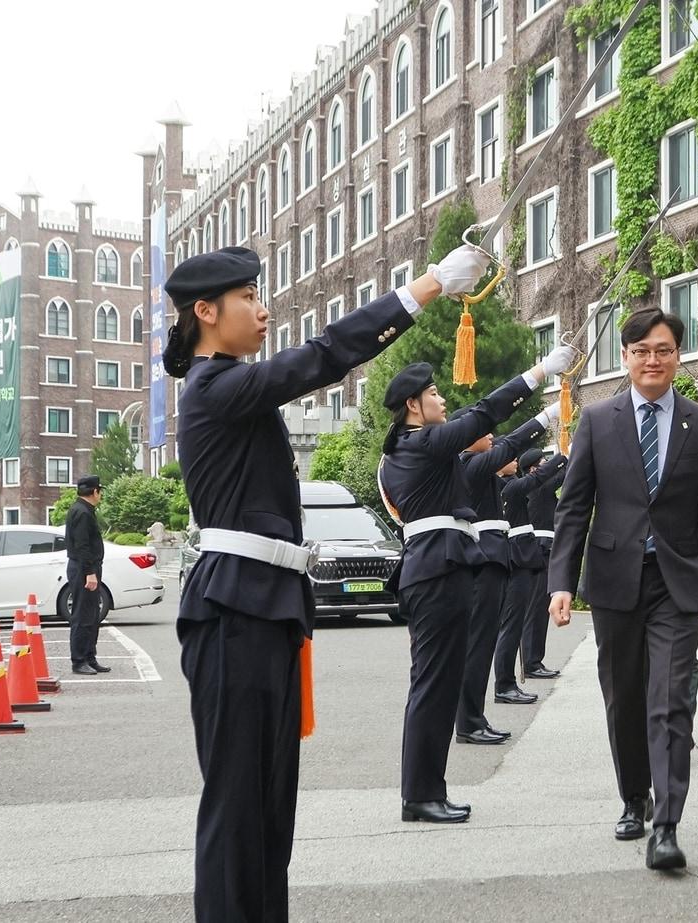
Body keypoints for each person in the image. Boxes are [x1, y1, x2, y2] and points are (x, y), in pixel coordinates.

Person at [164, 242, 488, 921]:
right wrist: (426, 286)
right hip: (233, 608)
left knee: (271, 806)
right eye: (248, 298)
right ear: (205, 312)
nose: (262, 309)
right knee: (237, 806)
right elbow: (323, 355)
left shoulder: (233, 388)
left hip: (264, 603)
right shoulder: (213, 387)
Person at [548, 307, 698, 871]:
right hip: (615, 581)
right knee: (624, 696)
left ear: (678, 356)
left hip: (677, 582)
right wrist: (561, 582)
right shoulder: (597, 420)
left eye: (663, 350)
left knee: (671, 698)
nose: (652, 360)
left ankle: (668, 825)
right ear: (626, 357)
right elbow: (574, 507)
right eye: (641, 351)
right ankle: (634, 797)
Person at [381, 347, 573, 823]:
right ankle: (420, 794)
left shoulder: (413, 446)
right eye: (434, 393)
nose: (442, 400)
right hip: (436, 570)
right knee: (433, 686)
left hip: (435, 569)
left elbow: (480, 423)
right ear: (413, 405)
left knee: (437, 685)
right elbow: (484, 413)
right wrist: (539, 373)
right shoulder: (422, 444)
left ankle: (427, 790)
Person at [453, 410, 556, 742]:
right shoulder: (470, 464)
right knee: (479, 643)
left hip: (496, 558)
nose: (491, 437)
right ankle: (470, 721)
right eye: (484, 432)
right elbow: (513, 447)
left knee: (484, 642)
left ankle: (474, 718)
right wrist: (547, 416)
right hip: (485, 560)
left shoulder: (487, 475)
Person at [494, 449, 568, 701]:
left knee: (527, 615)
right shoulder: (515, 487)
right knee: (520, 618)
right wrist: (566, 455)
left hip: (529, 552)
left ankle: (521, 670)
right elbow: (549, 477)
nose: (514, 461)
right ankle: (511, 678)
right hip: (524, 553)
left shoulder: (512, 484)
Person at [521, 453, 566, 680]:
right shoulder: (537, 488)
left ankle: (534, 660)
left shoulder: (539, 488)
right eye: (543, 464)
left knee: (539, 609)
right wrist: (569, 455)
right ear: (533, 470)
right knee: (536, 609)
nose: (547, 467)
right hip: (539, 549)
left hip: (545, 548)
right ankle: (531, 662)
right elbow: (562, 475)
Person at [64, 474, 108, 676]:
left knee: (92, 615)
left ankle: (90, 657)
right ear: (95, 491)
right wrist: (90, 572)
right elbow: (82, 545)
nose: (100, 495)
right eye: (100, 491)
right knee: (82, 616)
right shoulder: (82, 512)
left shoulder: (82, 509)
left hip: (86, 567)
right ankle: (79, 660)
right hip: (83, 569)